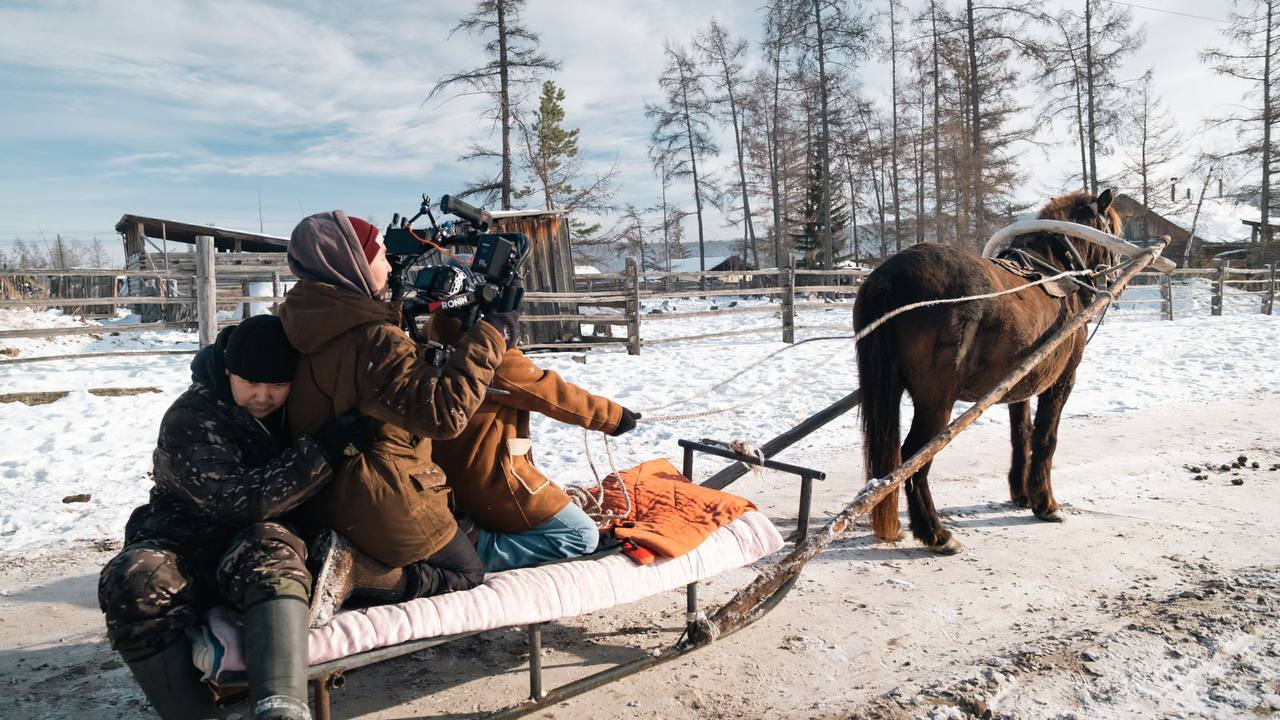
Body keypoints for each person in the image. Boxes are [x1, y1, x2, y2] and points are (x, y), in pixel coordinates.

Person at [97, 314, 367, 720]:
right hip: (181, 541)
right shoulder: (190, 416)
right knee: (133, 580)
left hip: (255, 543)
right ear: (228, 372)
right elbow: (238, 502)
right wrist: (322, 451)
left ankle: (282, 709)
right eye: (250, 383)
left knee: (272, 554)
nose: (262, 396)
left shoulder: (299, 409)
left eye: (276, 385)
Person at [278, 211, 511, 626]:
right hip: (375, 495)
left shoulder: (297, 320)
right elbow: (445, 414)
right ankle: (359, 572)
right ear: (350, 262)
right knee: (466, 572)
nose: (389, 264)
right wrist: (493, 333)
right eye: (380, 254)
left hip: (317, 491)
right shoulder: (371, 339)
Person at [428, 312, 639, 571]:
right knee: (581, 534)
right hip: (491, 480)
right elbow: (550, 392)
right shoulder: (487, 352)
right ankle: (479, 548)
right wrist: (615, 417)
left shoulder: (427, 342)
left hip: (447, 481)